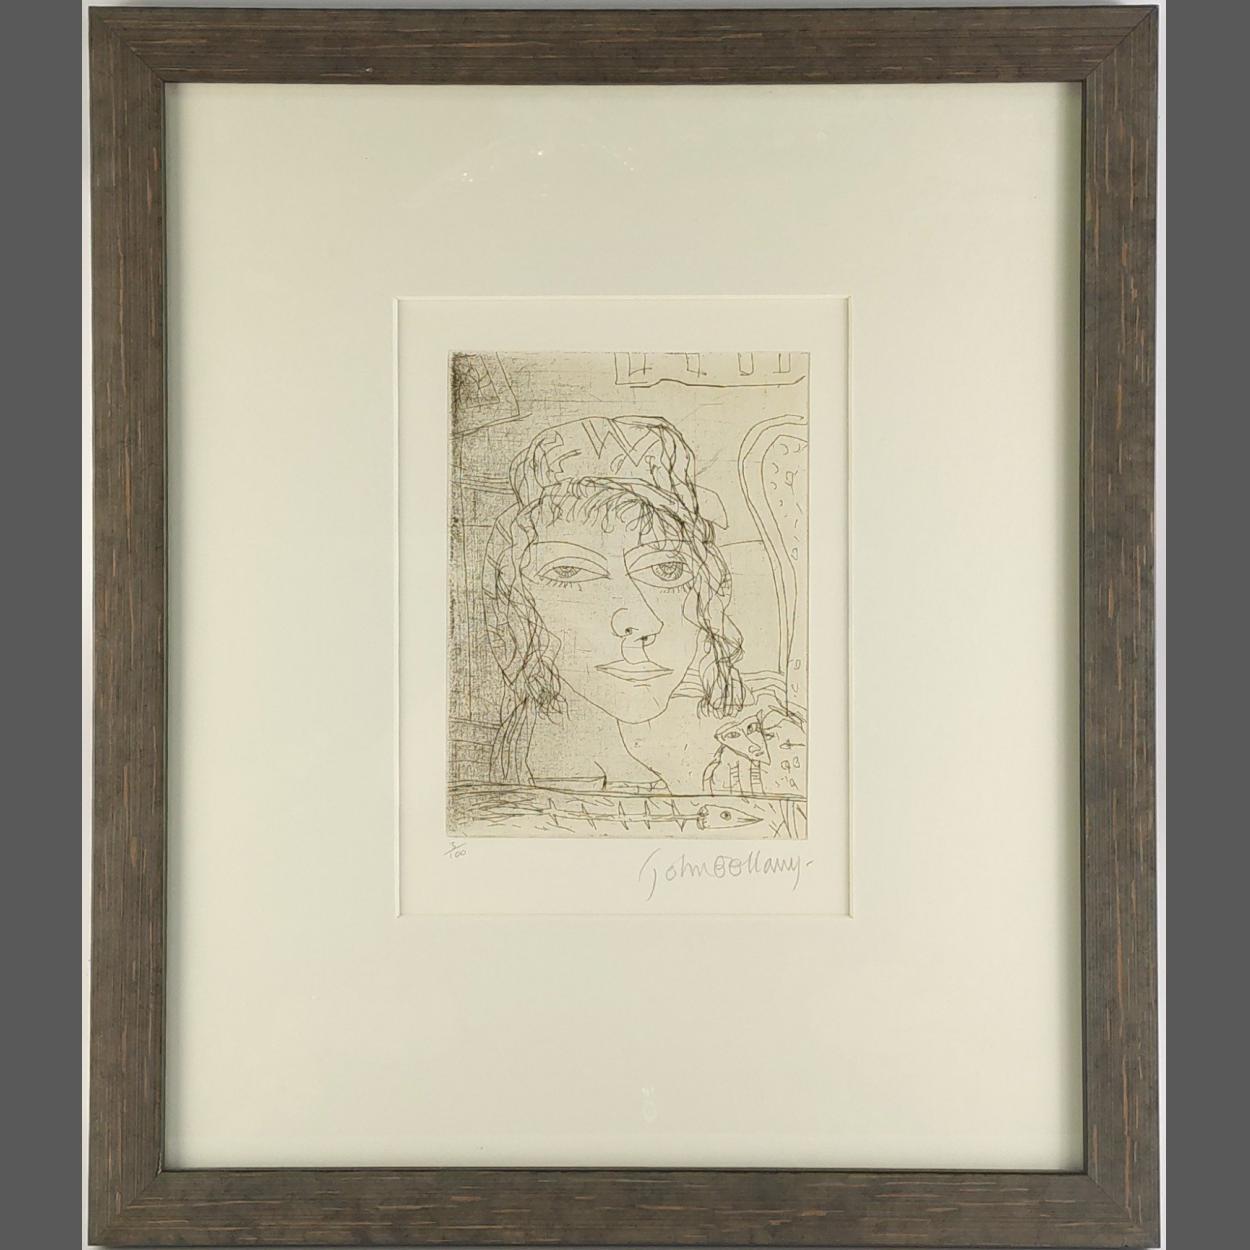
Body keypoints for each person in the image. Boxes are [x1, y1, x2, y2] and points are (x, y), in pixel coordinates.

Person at [482, 415, 746, 791]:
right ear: (519, 598)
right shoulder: (559, 778)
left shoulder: (618, 764)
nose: (640, 620)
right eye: (571, 572)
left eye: (667, 569)